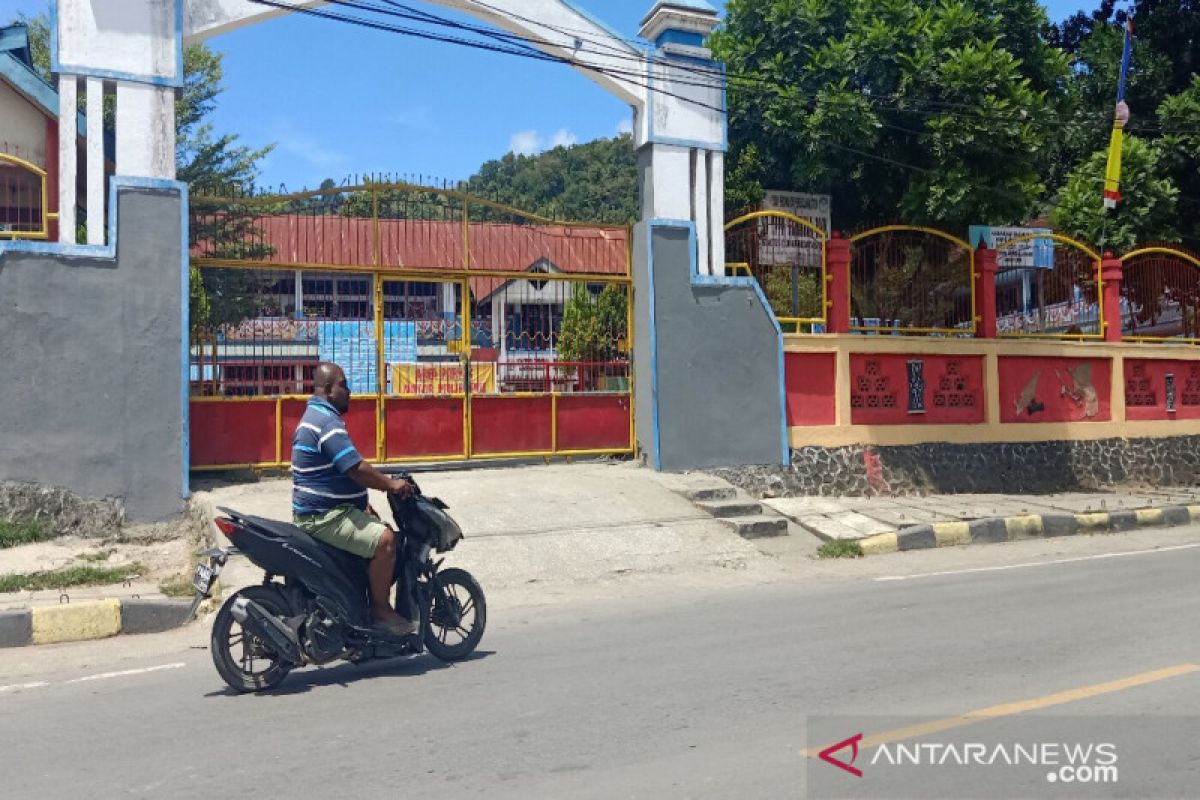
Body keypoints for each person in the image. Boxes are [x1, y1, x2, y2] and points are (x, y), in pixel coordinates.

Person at [291, 362, 416, 635]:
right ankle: (381, 612)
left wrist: (361, 503)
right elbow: (355, 468)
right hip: (324, 517)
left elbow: (337, 469)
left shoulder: (316, 415)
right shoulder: (325, 422)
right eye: (343, 385)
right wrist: (392, 485)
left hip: (330, 509)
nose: (349, 391)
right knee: (386, 541)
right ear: (328, 389)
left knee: (374, 523)